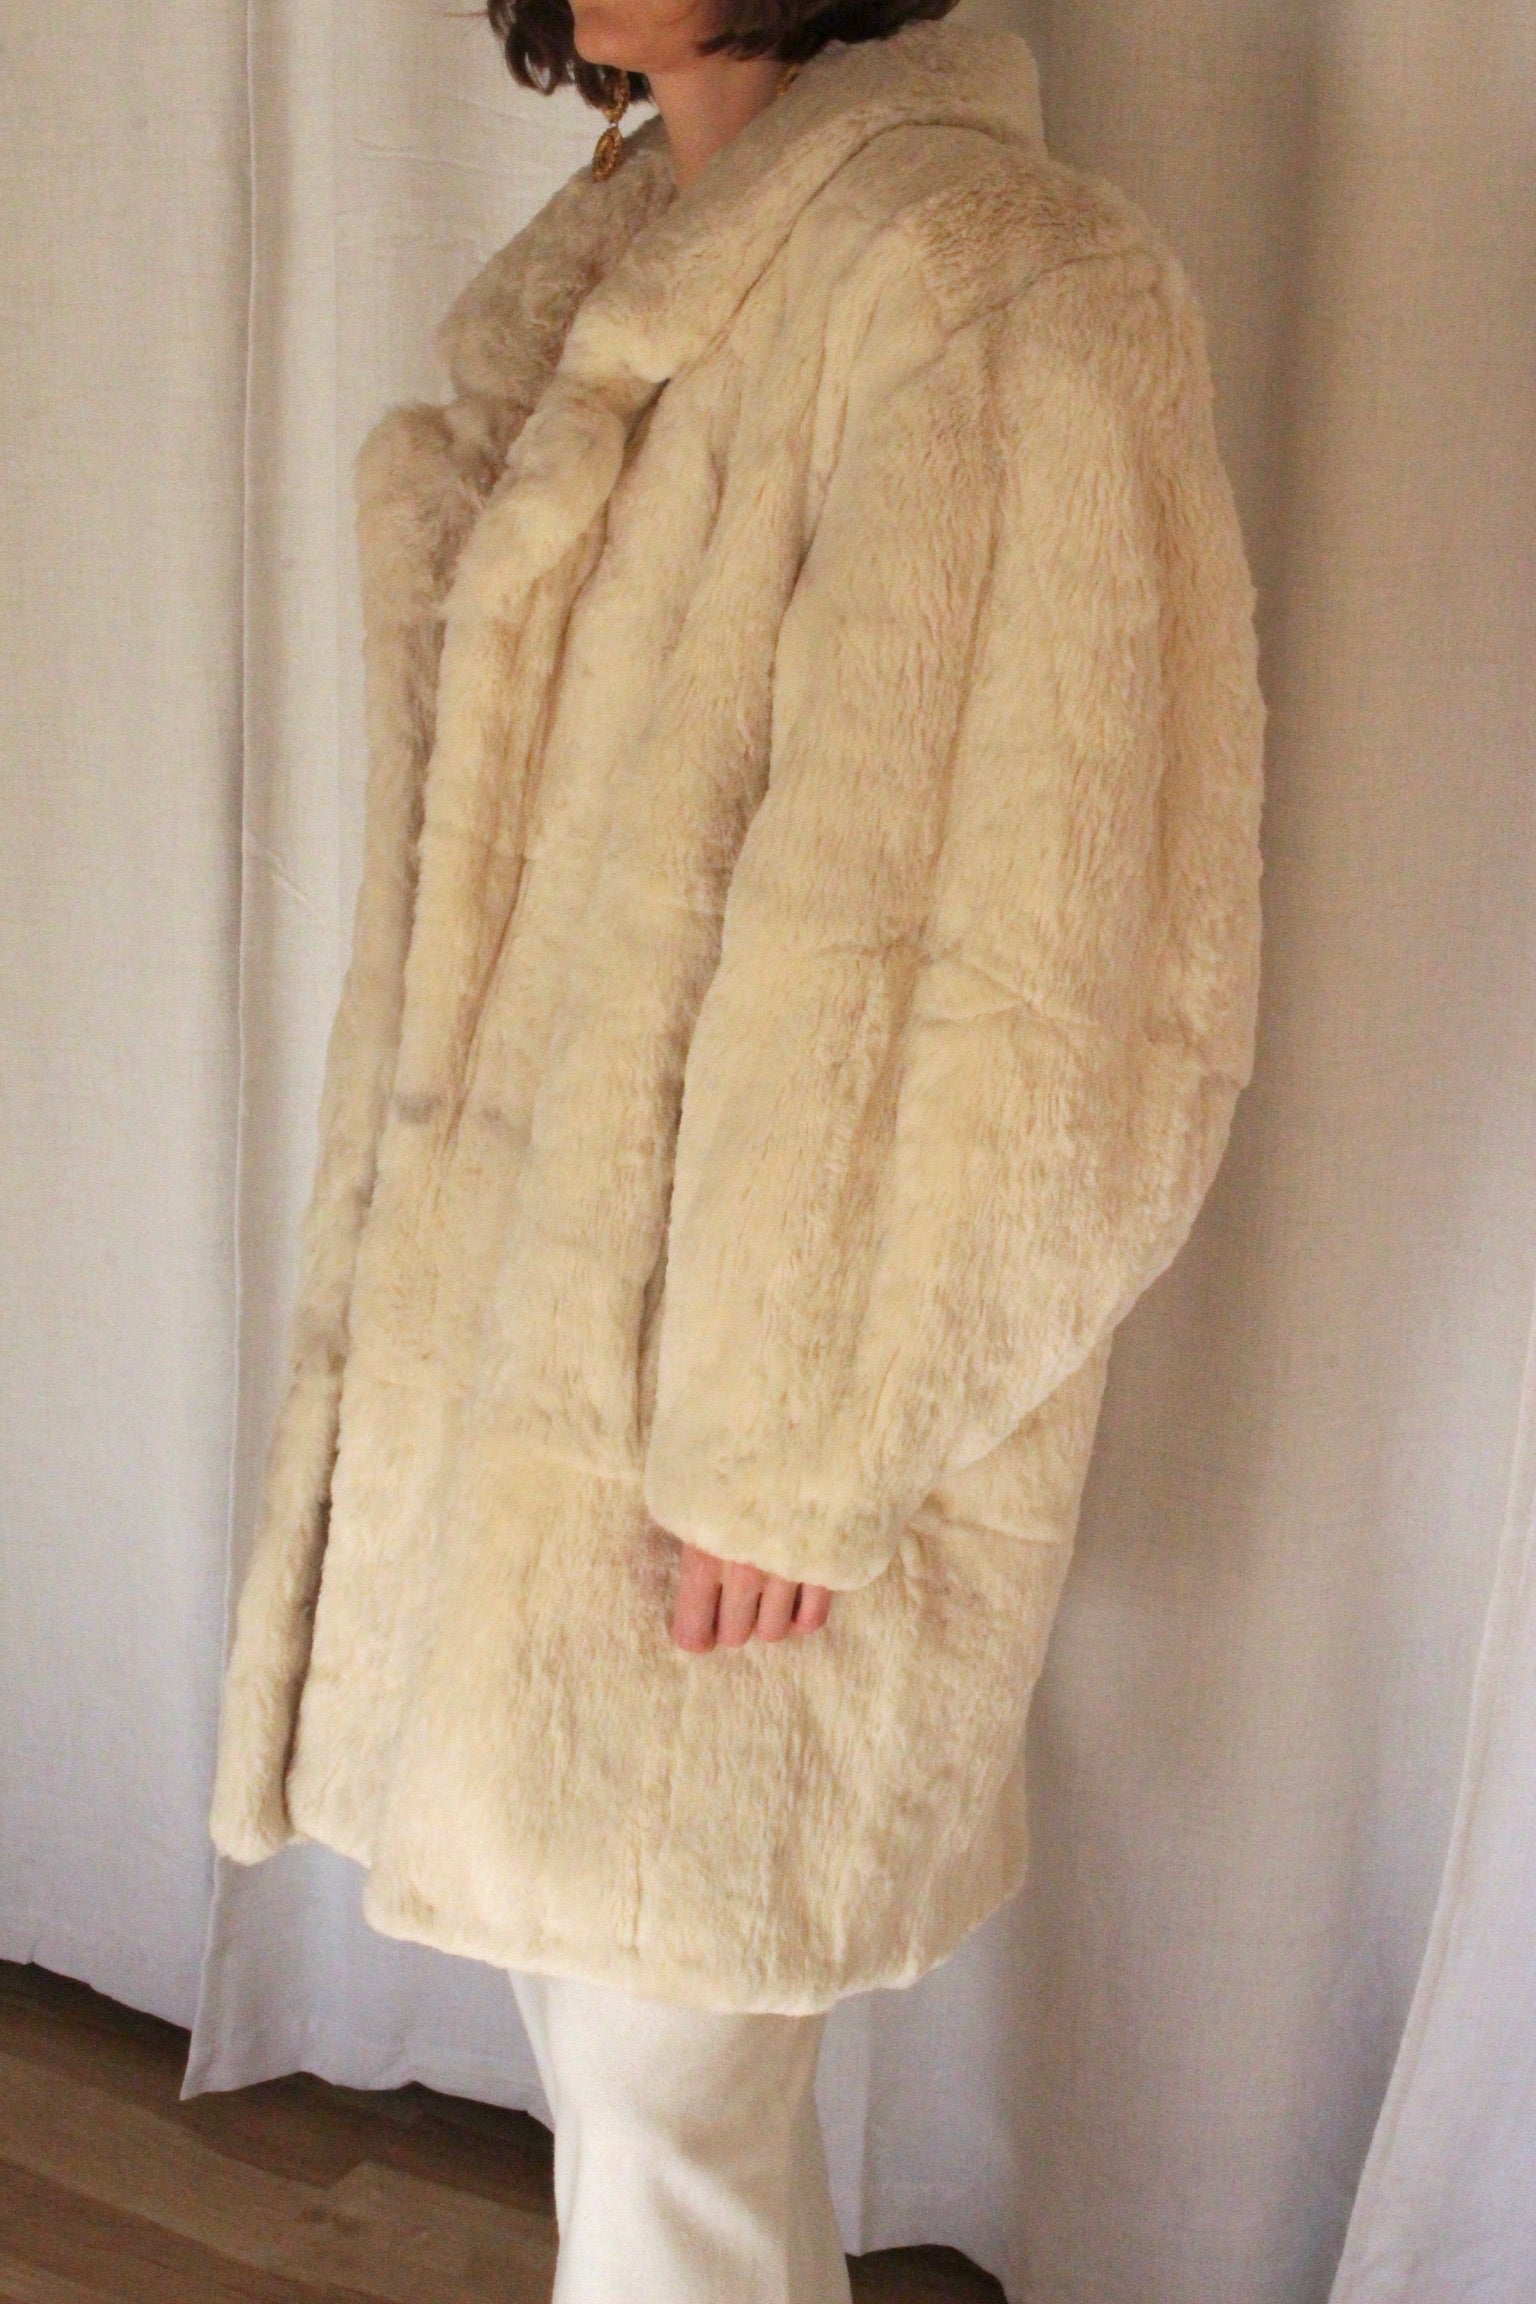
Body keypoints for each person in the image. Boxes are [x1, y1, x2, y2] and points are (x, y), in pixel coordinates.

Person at [207, 0, 1265, 2294]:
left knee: (666, 2126)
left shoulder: (988, 276)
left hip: (739, 1419)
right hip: (535, 1394)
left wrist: (800, 1435)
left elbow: (1040, 939)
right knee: (651, 2120)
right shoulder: (627, 274)